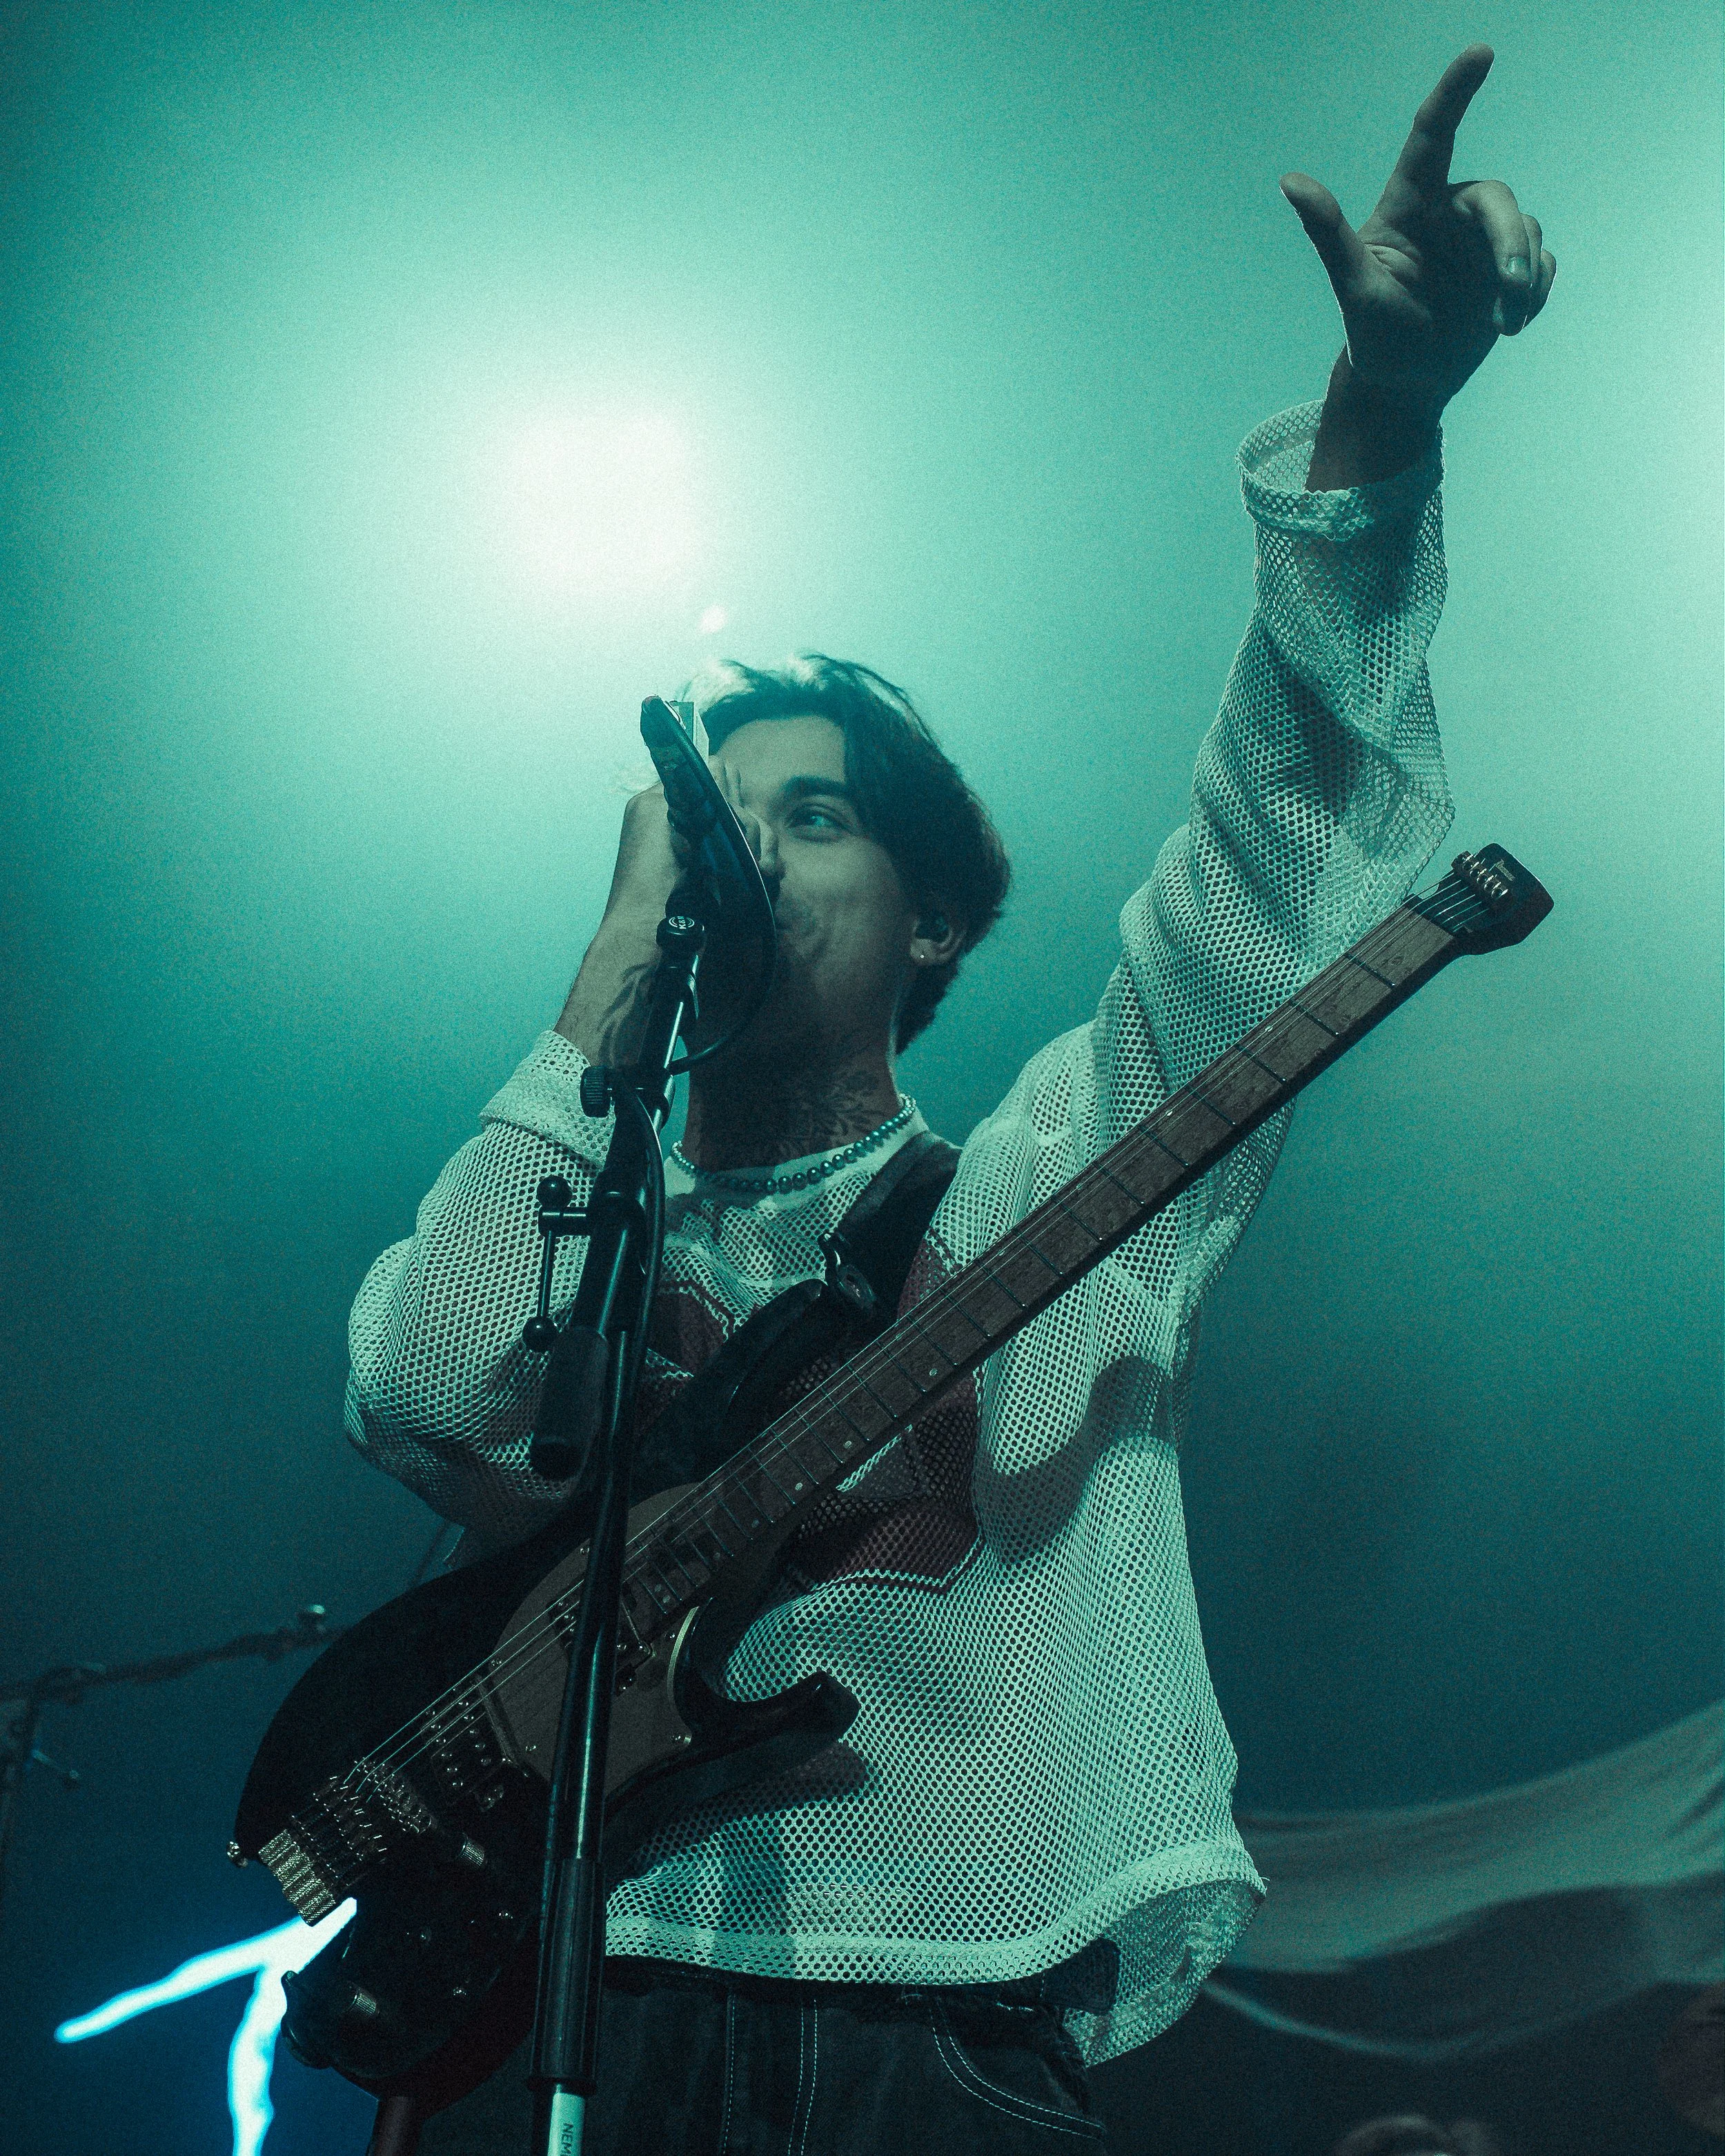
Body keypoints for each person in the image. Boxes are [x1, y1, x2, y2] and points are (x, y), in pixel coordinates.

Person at [344, 45, 1555, 2155]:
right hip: (568, 2002)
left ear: (930, 914)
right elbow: (422, 1388)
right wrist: (603, 980)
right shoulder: (591, 1226)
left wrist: (1383, 420)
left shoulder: (1045, 1165)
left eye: (808, 821)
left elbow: (1281, 844)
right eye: (706, 827)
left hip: (930, 2013)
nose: (746, 857)